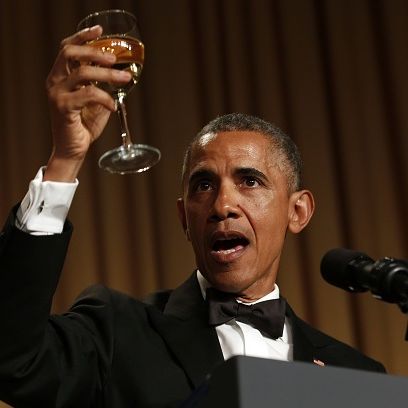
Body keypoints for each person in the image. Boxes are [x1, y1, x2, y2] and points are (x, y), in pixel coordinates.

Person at [0, 26, 385, 408]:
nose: (222, 205)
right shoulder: (117, 332)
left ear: (297, 211)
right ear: (184, 218)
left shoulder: (355, 373)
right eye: (203, 185)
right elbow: (14, 362)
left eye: (249, 181)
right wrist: (65, 159)